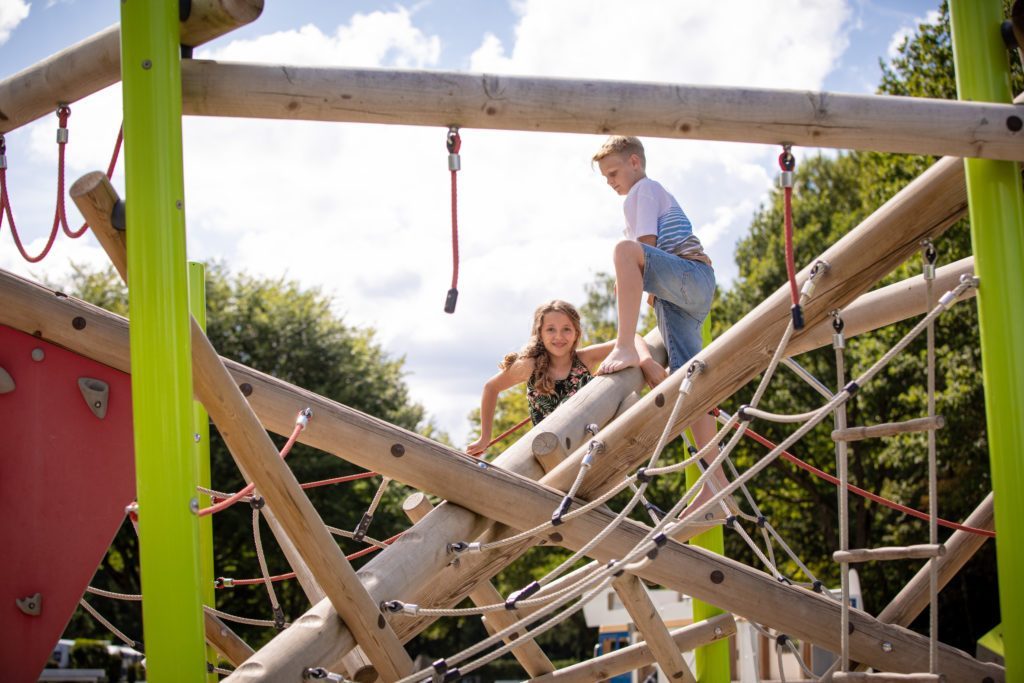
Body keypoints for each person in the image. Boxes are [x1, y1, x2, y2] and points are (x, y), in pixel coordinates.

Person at [592, 136, 727, 514]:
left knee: (624, 253)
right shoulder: (632, 205)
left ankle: (622, 345)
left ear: (635, 162)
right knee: (689, 386)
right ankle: (715, 489)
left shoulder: (644, 190)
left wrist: (632, 273)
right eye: (604, 177)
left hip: (691, 276)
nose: (610, 182)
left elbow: (644, 247)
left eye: (613, 172)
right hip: (677, 295)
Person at [466, 300, 664, 457]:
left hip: (588, 445)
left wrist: (646, 362)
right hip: (550, 451)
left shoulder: (584, 359)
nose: (558, 336)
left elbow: (634, 338)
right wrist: (484, 437)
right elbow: (491, 388)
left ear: (576, 332)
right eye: (551, 329)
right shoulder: (530, 366)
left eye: (566, 329)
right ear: (540, 333)